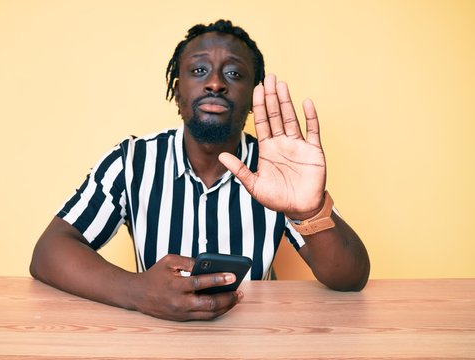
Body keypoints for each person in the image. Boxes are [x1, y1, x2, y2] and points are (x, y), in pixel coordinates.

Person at [30, 19, 370, 321]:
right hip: (156, 339)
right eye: (198, 71)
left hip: (253, 338)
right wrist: (135, 291)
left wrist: (309, 210)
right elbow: (50, 250)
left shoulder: (276, 167)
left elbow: (350, 278)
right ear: (177, 93)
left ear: (253, 98)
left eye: (234, 74)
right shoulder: (131, 160)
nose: (216, 84)